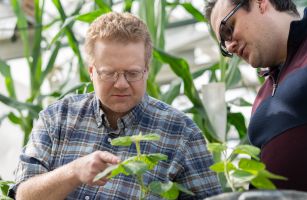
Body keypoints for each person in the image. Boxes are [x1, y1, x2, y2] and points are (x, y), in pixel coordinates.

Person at [10, 12, 222, 199]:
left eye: (132, 73)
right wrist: (74, 171)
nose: (121, 84)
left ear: (147, 70)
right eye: (109, 73)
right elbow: (24, 195)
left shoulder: (182, 134)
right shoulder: (57, 118)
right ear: (92, 72)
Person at [205, 0, 307, 193]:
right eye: (223, 44)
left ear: (260, 3)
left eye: (228, 29)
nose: (229, 46)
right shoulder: (261, 98)